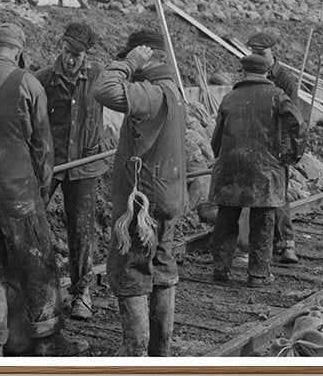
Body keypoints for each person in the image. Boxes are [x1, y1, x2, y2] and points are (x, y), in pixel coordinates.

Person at [0, 21, 86, 357]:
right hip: (18, 189)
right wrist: (39, 188)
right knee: (37, 261)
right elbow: (43, 148)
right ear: (19, 51)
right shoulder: (29, 84)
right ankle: (46, 338)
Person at [90, 28, 187, 357]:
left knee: (130, 270)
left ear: (149, 55)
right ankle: (161, 353)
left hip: (141, 205)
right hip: (168, 197)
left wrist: (129, 62)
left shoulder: (152, 93)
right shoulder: (174, 91)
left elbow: (103, 89)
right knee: (162, 267)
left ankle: (136, 352)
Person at [209, 53, 303, 287]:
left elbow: (216, 138)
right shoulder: (277, 96)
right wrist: (293, 154)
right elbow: (298, 124)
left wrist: (222, 158)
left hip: (231, 168)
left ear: (243, 72)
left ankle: (221, 269)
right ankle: (258, 275)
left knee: (226, 218)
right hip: (265, 169)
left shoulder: (229, 97)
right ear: (266, 73)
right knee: (263, 221)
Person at [34, 22, 105, 321]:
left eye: (76, 55)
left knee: (81, 230)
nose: (70, 59)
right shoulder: (43, 80)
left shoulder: (100, 79)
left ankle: (81, 293)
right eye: (65, 52)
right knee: (33, 222)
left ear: (87, 55)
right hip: (51, 164)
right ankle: (35, 291)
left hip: (85, 165)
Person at [246, 30, 302, 264]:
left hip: (275, 145)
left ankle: (286, 243)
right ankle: (257, 244)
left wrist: (288, 150)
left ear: (272, 53)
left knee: (278, 194)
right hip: (253, 143)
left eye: (262, 53)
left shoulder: (285, 79)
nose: (258, 57)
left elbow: (293, 118)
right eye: (254, 53)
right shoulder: (248, 75)